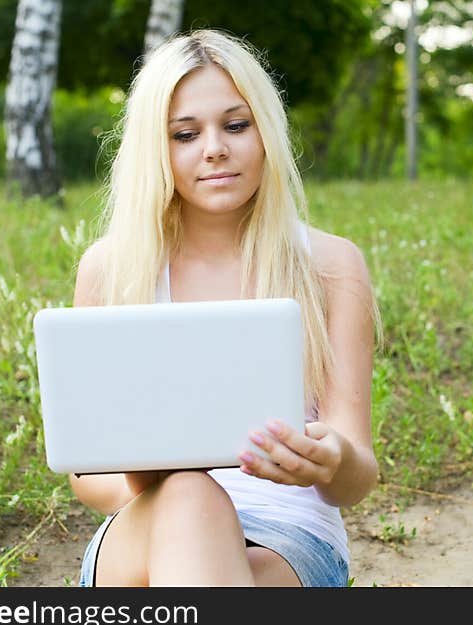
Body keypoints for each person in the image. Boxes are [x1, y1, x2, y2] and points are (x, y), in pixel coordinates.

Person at [68, 29, 382, 587]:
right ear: (155, 149)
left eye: (236, 126)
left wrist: (331, 458)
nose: (214, 148)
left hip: (289, 537)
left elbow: (356, 477)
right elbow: (89, 477)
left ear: (267, 133)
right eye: (185, 134)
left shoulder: (331, 266)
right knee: (190, 493)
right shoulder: (110, 269)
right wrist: (147, 476)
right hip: (145, 527)